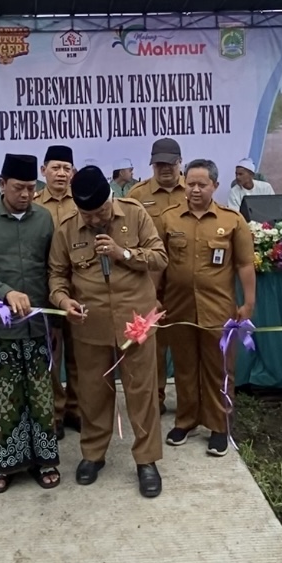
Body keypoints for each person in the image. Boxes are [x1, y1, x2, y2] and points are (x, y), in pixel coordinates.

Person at [49, 166, 168, 498]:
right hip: (90, 325)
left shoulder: (135, 213)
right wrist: (63, 301)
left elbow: (160, 258)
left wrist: (123, 253)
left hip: (136, 323)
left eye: (100, 211)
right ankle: (93, 454)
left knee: (141, 392)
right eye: (87, 213)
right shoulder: (67, 230)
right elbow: (57, 275)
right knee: (92, 393)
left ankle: (146, 461)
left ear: (109, 199)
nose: (95, 219)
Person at [0, 153, 60, 493]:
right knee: (5, 397)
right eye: (18, 188)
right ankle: (5, 463)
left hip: (38, 324)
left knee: (40, 395)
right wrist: (6, 292)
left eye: (32, 188)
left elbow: (55, 269)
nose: (25, 195)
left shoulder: (45, 219)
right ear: (2, 184)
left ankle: (44, 460)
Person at [156, 160, 256, 456]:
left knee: (219, 369)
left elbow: (245, 265)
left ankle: (219, 426)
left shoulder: (232, 220)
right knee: (185, 368)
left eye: (202, 184)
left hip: (218, 310)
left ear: (214, 185)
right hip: (178, 308)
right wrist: (153, 297)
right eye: (191, 184)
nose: (195, 189)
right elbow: (158, 263)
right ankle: (185, 421)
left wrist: (248, 302)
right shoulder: (168, 219)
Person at [128, 137, 186, 414]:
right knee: (154, 347)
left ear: (180, 162)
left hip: (185, 283)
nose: (165, 169)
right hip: (149, 283)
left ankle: (188, 403)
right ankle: (157, 399)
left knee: (186, 344)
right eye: (159, 163)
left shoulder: (194, 190)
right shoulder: (138, 195)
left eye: (170, 163)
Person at [35, 144, 81, 438]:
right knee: (52, 356)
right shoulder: (35, 205)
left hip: (81, 291)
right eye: (55, 167)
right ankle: (56, 411)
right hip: (47, 292)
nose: (61, 173)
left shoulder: (84, 202)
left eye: (66, 168)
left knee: (81, 356)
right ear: (44, 171)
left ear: (73, 172)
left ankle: (77, 408)